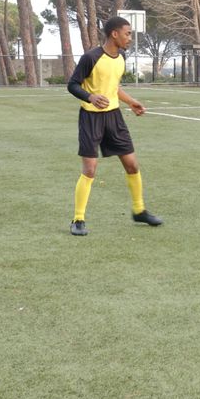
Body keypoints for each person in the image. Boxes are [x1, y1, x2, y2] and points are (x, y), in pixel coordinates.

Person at [67, 16, 162, 235]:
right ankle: (78, 219)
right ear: (114, 34)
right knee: (90, 170)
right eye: (128, 33)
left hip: (114, 117)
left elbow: (114, 87)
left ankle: (139, 210)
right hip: (91, 118)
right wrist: (90, 97)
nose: (130, 38)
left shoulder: (121, 57)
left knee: (132, 165)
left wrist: (131, 101)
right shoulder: (91, 57)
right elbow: (72, 84)